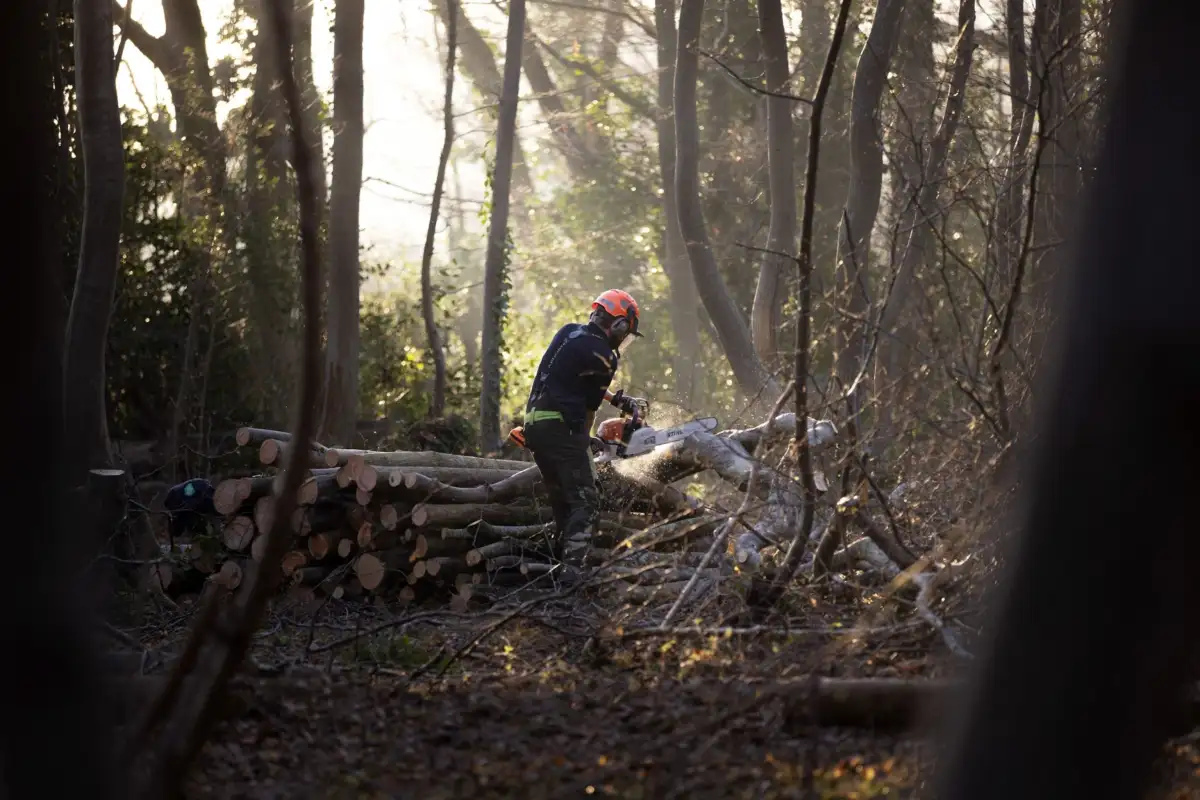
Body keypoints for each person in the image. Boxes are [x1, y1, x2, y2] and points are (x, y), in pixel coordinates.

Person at [522, 289, 648, 566]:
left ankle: (551, 570)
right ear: (619, 324)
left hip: (534, 423)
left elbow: (564, 377)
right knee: (586, 502)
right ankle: (572, 576)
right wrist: (586, 443)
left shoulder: (569, 332)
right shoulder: (606, 356)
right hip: (561, 428)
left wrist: (614, 398)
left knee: (563, 505)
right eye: (625, 331)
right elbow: (589, 412)